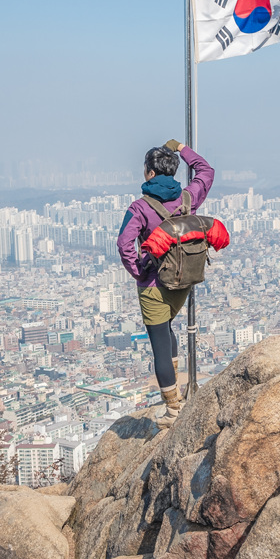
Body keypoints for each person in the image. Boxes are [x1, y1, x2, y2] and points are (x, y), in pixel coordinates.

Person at [117, 138, 215, 422]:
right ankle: (177, 397)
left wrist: (139, 271)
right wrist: (182, 148)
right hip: (183, 280)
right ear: (171, 171)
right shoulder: (187, 198)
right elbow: (206, 171)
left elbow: (125, 244)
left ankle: (174, 409)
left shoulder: (139, 207)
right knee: (168, 328)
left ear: (149, 172)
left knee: (159, 342)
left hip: (154, 285)